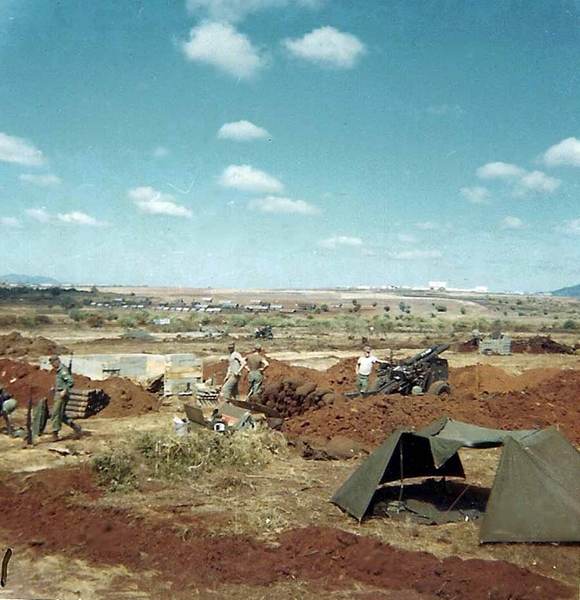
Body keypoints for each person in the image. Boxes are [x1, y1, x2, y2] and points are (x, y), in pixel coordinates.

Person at [49, 355, 82, 441]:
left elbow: (71, 381)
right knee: (62, 415)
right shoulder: (59, 371)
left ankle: (55, 434)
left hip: (61, 395)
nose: (52, 366)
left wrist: (65, 390)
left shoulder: (63, 371)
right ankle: (75, 427)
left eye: (52, 363)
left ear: (56, 362)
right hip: (58, 393)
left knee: (55, 413)